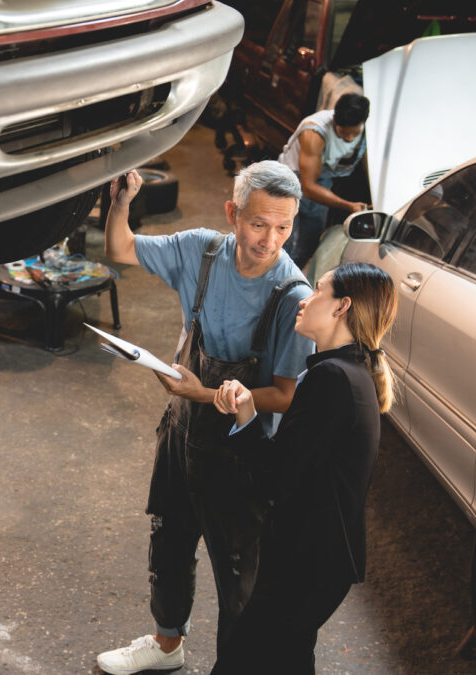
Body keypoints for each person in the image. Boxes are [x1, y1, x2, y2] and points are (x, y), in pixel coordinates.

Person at [96, 161, 315, 675]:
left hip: (241, 454)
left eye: (284, 227)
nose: (270, 240)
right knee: (169, 539)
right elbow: (119, 249)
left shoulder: (294, 297)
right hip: (181, 432)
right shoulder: (202, 251)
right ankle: (166, 646)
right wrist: (121, 202)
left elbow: (285, 395)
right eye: (259, 223)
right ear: (232, 213)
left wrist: (206, 391)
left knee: (239, 574)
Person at [199, 261, 398, 673]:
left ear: (342, 306)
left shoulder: (332, 380)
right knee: (287, 660)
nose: (305, 299)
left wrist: (247, 417)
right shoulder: (349, 374)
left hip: (306, 565)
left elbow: (274, 478)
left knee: (241, 660)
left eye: (319, 290)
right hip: (318, 561)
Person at [279, 93, 370, 268]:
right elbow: (309, 187)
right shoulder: (314, 132)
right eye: (343, 132)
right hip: (290, 181)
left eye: (354, 132)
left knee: (309, 244)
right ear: (334, 119)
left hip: (322, 182)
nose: (350, 138)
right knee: (284, 242)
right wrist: (349, 205)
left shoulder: (370, 131)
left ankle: (287, 282)